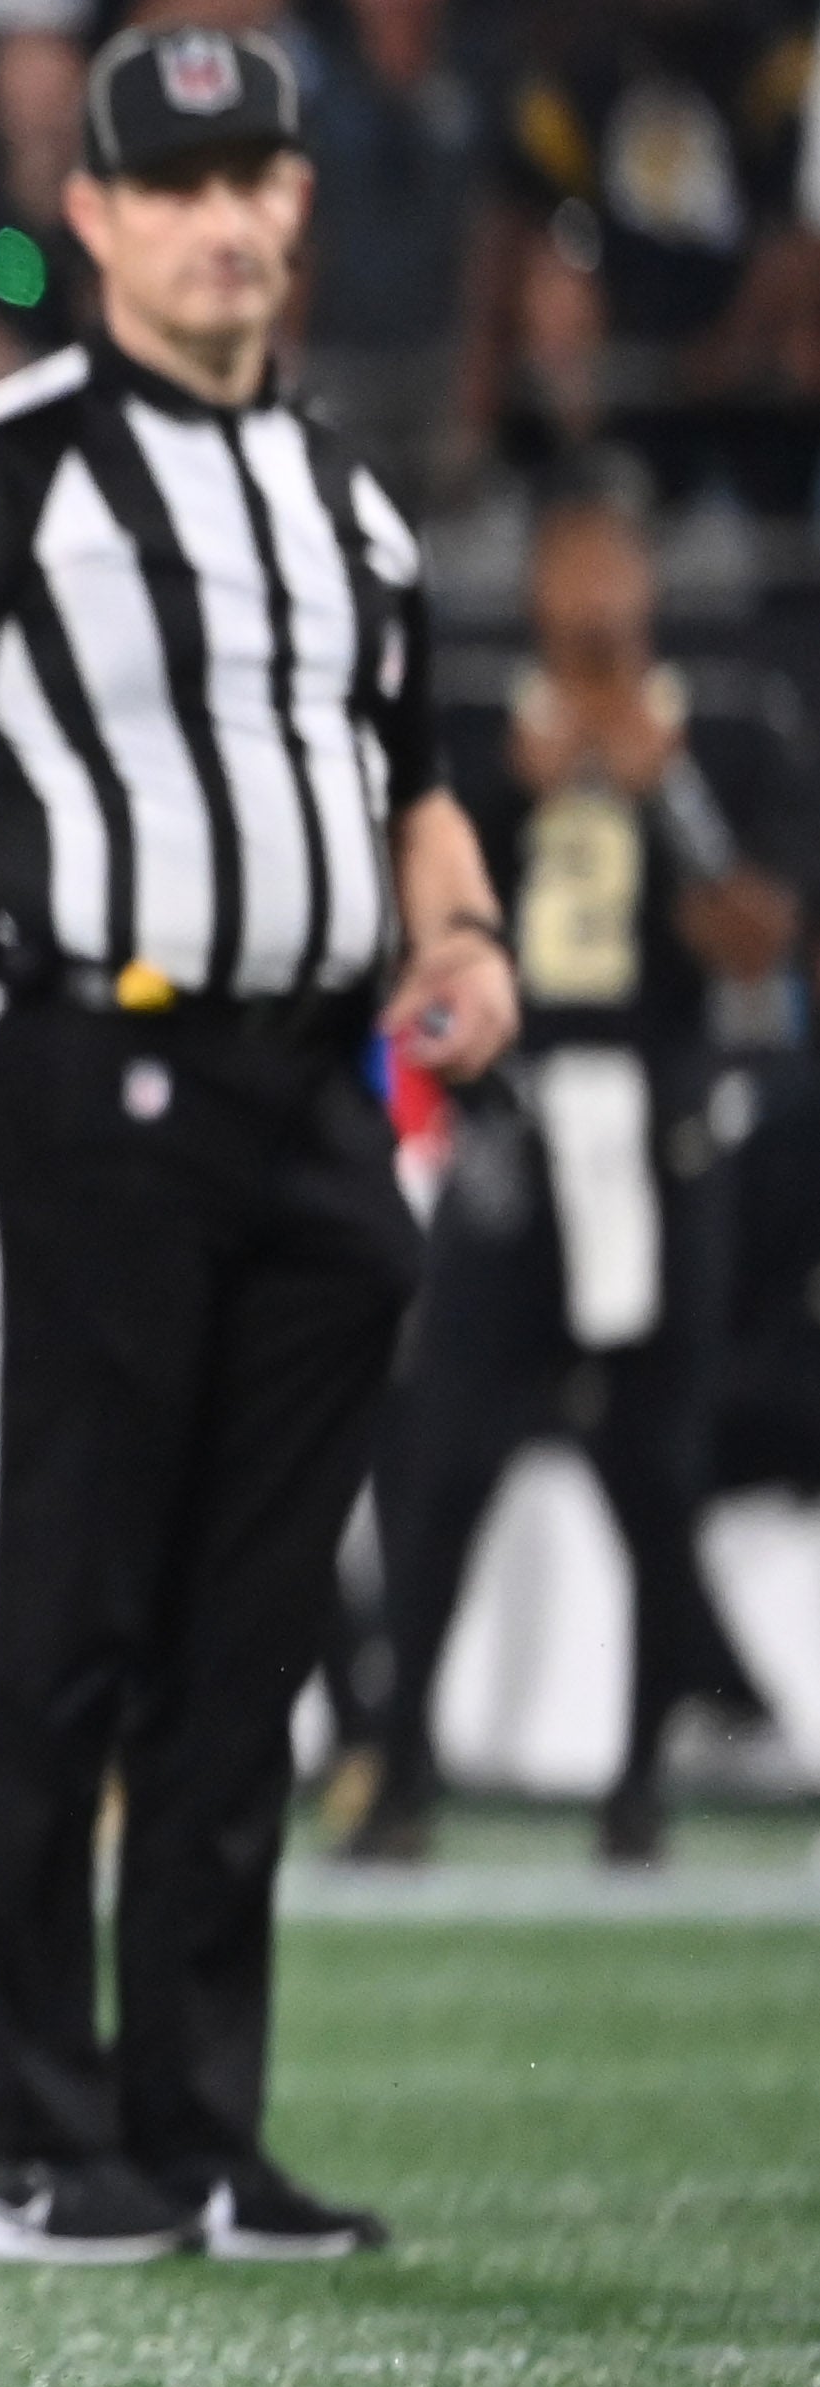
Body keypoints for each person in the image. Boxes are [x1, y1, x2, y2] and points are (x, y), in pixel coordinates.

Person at [0, 27, 521, 2269]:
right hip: (81, 1073)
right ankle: (34, 2140)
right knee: (62, 1607)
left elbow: (408, 772)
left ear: (295, 203)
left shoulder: (344, 495)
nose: (224, 212)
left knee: (247, 1639)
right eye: (174, 177)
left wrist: (465, 927)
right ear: (95, 216)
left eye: (254, 171)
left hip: (316, 1094)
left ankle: (201, 2129)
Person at [362, 490, 803, 1867]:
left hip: (662, 1139)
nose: (598, 597)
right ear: (542, 584)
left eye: (618, 567)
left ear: (649, 582)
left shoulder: (724, 733)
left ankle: (635, 1778)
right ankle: (403, 1767)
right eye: (575, 568)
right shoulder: (478, 742)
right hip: (517, 1136)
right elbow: (410, 933)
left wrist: (661, 789)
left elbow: (751, 946)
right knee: (444, 1460)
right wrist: (513, 787)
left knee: (654, 1469)